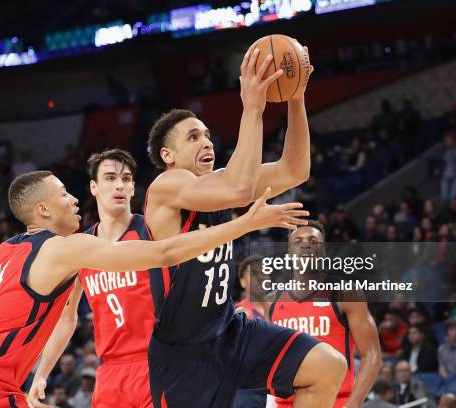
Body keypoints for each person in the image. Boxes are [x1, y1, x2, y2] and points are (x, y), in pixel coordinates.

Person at [0, 170, 307, 407]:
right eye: (63, 194)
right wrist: (245, 224)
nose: (74, 199)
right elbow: (163, 253)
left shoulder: (0, 254)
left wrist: (41, 374)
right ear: (43, 210)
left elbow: (59, 318)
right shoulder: (64, 247)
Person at [145, 47, 346, 408]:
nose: (206, 141)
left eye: (206, 134)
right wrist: (252, 106)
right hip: (183, 355)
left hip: (231, 332)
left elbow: (295, 170)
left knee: (328, 366)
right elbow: (238, 187)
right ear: (167, 156)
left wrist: (296, 99)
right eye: (192, 137)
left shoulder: (221, 183)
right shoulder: (166, 187)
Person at [28, 149, 157, 407]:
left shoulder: (152, 231)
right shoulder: (80, 247)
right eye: (110, 178)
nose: (119, 185)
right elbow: (67, 317)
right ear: (94, 187)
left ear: (133, 188)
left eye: (127, 179)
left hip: (156, 363)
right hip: (109, 373)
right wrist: (41, 375)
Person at [270, 221, 382, 408]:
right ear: (289, 254)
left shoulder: (346, 293)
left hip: (335, 402)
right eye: (298, 241)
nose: (306, 244)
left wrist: (353, 404)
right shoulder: (271, 301)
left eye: (313, 241)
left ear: (323, 251)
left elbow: (372, 354)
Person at [232, 255, 270, 408]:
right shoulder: (241, 312)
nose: (260, 277)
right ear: (242, 281)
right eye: (254, 273)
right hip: (250, 392)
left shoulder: (280, 310)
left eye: (264, 272)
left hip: (276, 387)